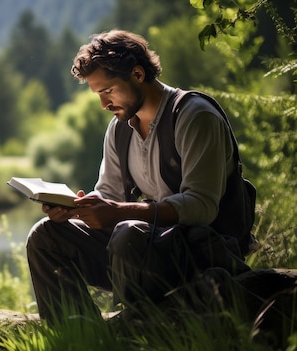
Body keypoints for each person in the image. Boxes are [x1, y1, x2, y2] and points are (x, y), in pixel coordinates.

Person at [25, 29, 252, 321]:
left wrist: (118, 213)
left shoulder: (195, 117)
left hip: (201, 253)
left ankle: (137, 329)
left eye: (107, 91)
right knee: (45, 235)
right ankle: (81, 336)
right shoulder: (120, 128)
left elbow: (202, 207)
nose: (103, 104)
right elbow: (110, 196)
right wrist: (77, 210)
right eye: (98, 94)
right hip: (143, 251)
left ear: (137, 74)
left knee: (128, 233)